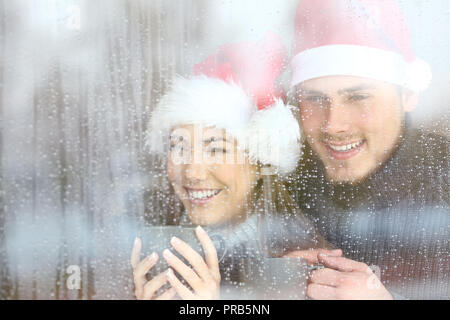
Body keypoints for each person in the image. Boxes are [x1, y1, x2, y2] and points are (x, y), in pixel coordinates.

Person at [130, 33, 332, 300]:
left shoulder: (300, 263)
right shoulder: (148, 247)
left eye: (216, 149)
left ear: (261, 161)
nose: (192, 171)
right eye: (178, 146)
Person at [285, 0, 449, 299]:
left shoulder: (443, 185)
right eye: (315, 99)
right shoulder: (280, 187)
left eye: (358, 97)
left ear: (408, 94)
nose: (333, 124)